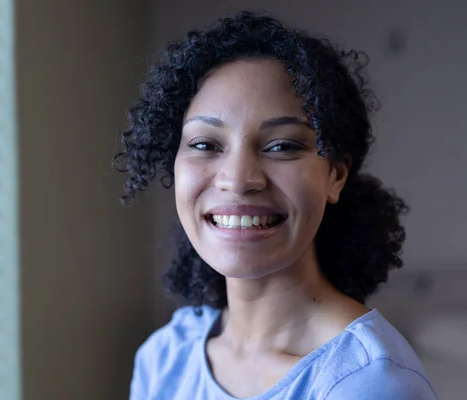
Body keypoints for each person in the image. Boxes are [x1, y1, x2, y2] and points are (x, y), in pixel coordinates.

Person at [113, 10, 438, 400]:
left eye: (282, 146)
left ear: (335, 174)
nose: (237, 179)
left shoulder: (368, 382)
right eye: (205, 145)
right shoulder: (165, 358)